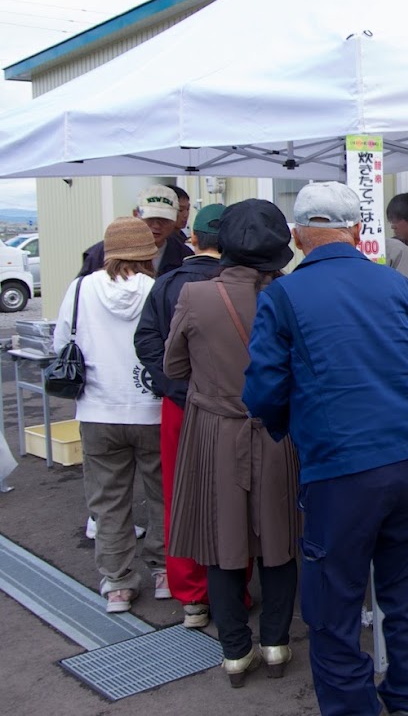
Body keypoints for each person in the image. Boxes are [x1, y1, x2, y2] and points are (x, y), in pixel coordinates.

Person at [243, 182, 408, 716]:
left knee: (333, 607)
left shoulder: (282, 296)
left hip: (342, 467)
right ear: (358, 231)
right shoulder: (393, 285)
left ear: (296, 234)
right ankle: (406, 703)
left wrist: (289, 425)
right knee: (407, 594)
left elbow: (263, 391)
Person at [165, 200, 301, 686]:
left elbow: (174, 367)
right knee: (279, 540)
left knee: (222, 542)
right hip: (277, 431)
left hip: (215, 432)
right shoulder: (290, 294)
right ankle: (276, 644)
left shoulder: (195, 295)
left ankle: (235, 653)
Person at [54, 217, 165, 613]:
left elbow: (61, 340)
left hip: (98, 409)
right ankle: (165, 570)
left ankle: (118, 583)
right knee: (162, 494)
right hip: (151, 408)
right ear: (148, 253)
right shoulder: (157, 288)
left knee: (108, 500)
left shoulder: (80, 288)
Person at [133, 203, 225, 629]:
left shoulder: (167, 282)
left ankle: (191, 595)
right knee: (230, 495)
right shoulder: (247, 281)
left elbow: (146, 340)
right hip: (232, 407)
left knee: (179, 495)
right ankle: (232, 590)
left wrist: (173, 385)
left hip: (179, 406)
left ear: (193, 238)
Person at [80, 185, 192, 276]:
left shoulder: (184, 256)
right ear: (135, 214)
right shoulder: (103, 252)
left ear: (175, 219)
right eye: (150, 218)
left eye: (164, 219)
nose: (157, 225)